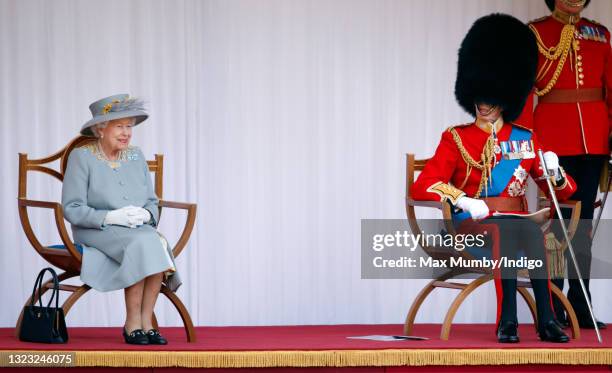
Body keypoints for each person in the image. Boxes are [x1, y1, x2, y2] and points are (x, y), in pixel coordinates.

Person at [411, 14, 576, 343]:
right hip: (472, 223)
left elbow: (566, 191)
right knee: (513, 231)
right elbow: (424, 184)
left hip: (515, 222)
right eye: (480, 96)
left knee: (526, 231)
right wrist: (462, 199)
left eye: (492, 97)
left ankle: (545, 320)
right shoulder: (456, 138)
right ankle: (508, 320)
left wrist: (555, 172)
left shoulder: (526, 139)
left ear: (508, 96)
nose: (483, 104)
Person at [62, 94, 181, 345]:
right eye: (119, 126)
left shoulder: (136, 156)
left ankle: (147, 323)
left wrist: (148, 214)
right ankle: (132, 324)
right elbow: (71, 209)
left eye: (129, 126)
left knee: (153, 241)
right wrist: (111, 216)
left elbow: (151, 200)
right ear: (100, 128)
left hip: (137, 229)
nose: (126, 132)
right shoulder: (81, 157)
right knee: (144, 244)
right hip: (95, 229)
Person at [521, 0, 611, 329]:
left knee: (583, 225)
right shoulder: (536, 33)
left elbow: (610, 87)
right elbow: (525, 91)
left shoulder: (599, 34)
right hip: (552, 142)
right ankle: (553, 302)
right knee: (556, 228)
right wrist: (526, 141)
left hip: (595, 140)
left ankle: (581, 300)